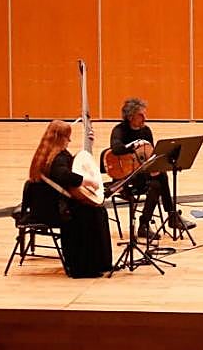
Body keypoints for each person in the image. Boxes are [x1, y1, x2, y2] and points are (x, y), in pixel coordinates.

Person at [27, 120, 113, 278]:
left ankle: (97, 263)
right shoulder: (56, 158)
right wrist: (87, 181)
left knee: (96, 211)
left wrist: (89, 146)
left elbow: (74, 165)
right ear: (61, 138)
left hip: (49, 204)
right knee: (92, 213)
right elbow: (64, 174)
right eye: (68, 137)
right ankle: (86, 266)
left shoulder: (47, 154)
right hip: (54, 209)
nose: (69, 141)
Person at [108, 98, 194, 238]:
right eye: (141, 115)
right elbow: (116, 149)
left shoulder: (146, 131)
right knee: (157, 184)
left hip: (142, 172)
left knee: (161, 176)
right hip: (125, 176)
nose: (145, 118)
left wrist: (154, 167)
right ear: (130, 117)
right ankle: (159, 220)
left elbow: (151, 154)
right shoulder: (120, 130)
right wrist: (134, 147)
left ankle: (152, 223)